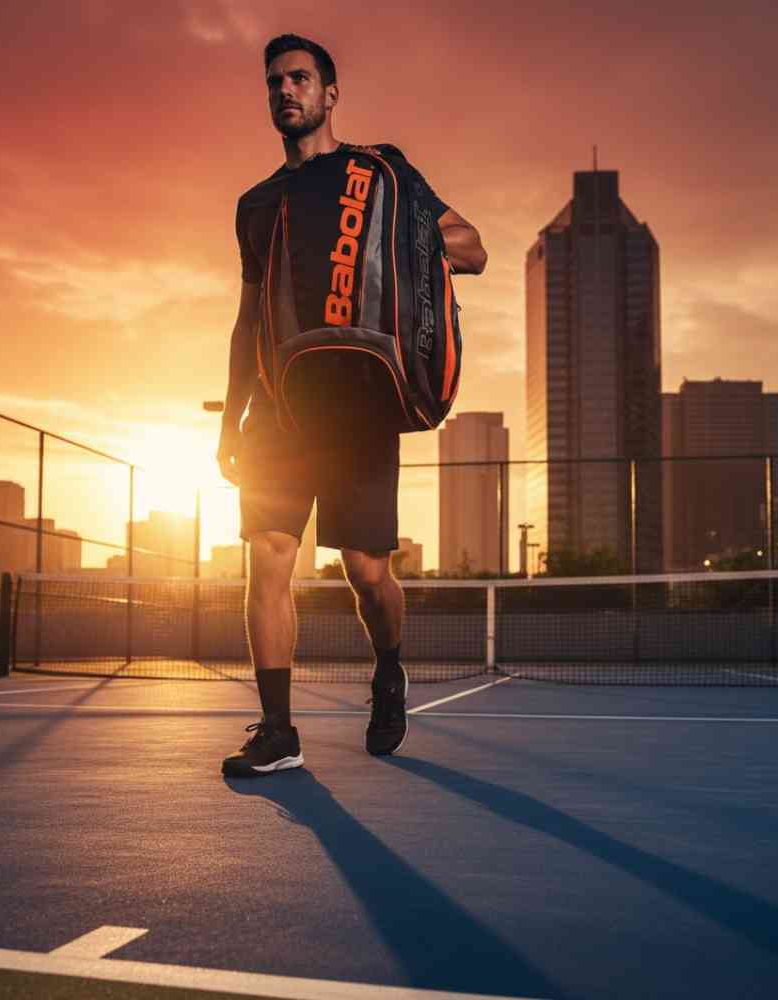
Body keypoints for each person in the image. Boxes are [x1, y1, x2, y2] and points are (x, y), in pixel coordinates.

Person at [218, 34, 487, 777]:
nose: (285, 90)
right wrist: (228, 418)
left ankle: (389, 666)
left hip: (358, 402)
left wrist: (420, 244)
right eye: (274, 81)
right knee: (267, 563)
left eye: (300, 78)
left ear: (329, 94)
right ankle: (279, 731)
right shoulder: (256, 204)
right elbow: (248, 321)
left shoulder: (383, 173)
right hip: (279, 406)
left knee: (367, 574)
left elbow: (472, 249)